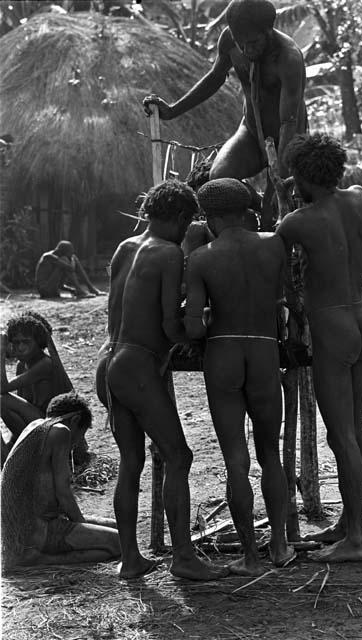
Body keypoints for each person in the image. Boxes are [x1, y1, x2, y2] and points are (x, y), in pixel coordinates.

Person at [95, 179, 228, 581]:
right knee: (179, 455)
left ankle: (130, 559)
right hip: (136, 365)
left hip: (107, 361)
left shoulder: (125, 247)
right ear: (182, 218)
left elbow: (120, 309)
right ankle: (183, 558)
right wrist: (202, 327)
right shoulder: (169, 253)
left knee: (131, 460)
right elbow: (172, 326)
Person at [276, 133, 362, 562]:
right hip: (361, 317)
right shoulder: (360, 198)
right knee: (355, 429)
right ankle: (350, 525)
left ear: (301, 176)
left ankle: (357, 539)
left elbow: (281, 284)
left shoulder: (296, 223)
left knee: (341, 435)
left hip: (331, 328)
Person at [185, 177, 294, 576]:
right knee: (270, 454)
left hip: (224, 354)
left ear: (210, 218)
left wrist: (204, 317)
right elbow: (284, 301)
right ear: (246, 210)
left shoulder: (201, 258)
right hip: (264, 350)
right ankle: (280, 546)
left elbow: (194, 328)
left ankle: (249, 556)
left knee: (236, 459)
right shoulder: (274, 244)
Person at [143, 0, 307, 230]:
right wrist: (172, 111)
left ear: (268, 30)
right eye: (242, 44)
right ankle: (260, 210)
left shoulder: (289, 58)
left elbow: (288, 123)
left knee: (284, 203)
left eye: (253, 43)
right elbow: (215, 77)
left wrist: (276, 186)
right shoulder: (229, 39)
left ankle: (272, 213)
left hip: (288, 138)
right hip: (250, 131)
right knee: (218, 182)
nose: (247, 50)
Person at [1, 392, 120, 572]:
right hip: (37, 531)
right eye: (82, 434)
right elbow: (63, 493)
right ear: (75, 420)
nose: (79, 442)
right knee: (120, 542)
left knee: (118, 527)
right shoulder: (60, 432)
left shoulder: (36, 425)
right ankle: (40, 559)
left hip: (22, 530)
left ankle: (33, 556)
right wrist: (82, 525)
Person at [1, 312, 76, 465]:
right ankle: (19, 453)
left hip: (56, 429)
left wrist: (1, 351)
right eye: (16, 343)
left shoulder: (45, 364)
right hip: (39, 427)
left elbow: (2, 388)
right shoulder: (21, 366)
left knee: (2, 400)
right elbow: (19, 409)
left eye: (26, 342)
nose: (20, 347)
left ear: (38, 342)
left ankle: (28, 452)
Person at [35, 240, 106, 299]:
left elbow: (60, 285)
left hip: (53, 289)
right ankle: (80, 291)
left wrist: (71, 290)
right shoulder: (48, 256)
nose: (70, 255)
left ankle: (91, 288)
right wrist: (71, 262)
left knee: (73, 258)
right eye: (69, 252)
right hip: (45, 290)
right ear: (61, 251)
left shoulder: (60, 257)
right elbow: (70, 268)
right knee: (65, 261)